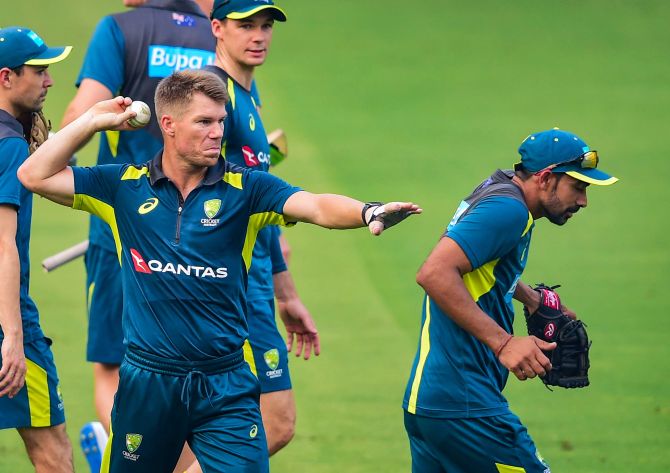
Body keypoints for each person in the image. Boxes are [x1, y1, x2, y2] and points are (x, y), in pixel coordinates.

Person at [19, 69, 421, 473]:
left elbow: (315, 206)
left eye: (221, 122)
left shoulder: (248, 190)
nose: (217, 133)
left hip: (224, 385)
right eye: (204, 122)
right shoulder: (123, 186)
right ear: (169, 125)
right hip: (148, 384)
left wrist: (367, 210)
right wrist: (93, 119)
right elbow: (33, 174)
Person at [59, 1, 221, 470]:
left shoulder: (120, 30)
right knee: (192, 371)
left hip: (121, 226)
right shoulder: (216, 35)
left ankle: (116, 453)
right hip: (202, 232)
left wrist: (41, 163)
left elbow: (82, 109)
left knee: (112, 366)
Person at [402, 128, 617, 473]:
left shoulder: (499, 189)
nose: (583, 201)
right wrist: (503, 343)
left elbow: (474, 260)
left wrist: (529, 297)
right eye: (577, 187)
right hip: (466, 406)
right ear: (546, 178)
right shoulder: (509, 211)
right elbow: (434, 273)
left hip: (431, 404)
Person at [204, 0, 317, 458]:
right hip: (225, 290)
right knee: (275, 422)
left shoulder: (247, 94)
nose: (259, 36)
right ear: (217, 28)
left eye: (266, 26)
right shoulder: (213, 92)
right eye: (245, 25)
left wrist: (286, 295)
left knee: (211, 430)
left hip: (249, 285)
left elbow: (260, 212)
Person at [0, 26, 75, 473]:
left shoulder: (17, 137)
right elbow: (2, 245)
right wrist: (12, 336)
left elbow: (60, 167)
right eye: (40, 70)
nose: (48, 81)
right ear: (6, 77)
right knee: (53, 452)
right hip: (8, 319)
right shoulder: (9, 146)